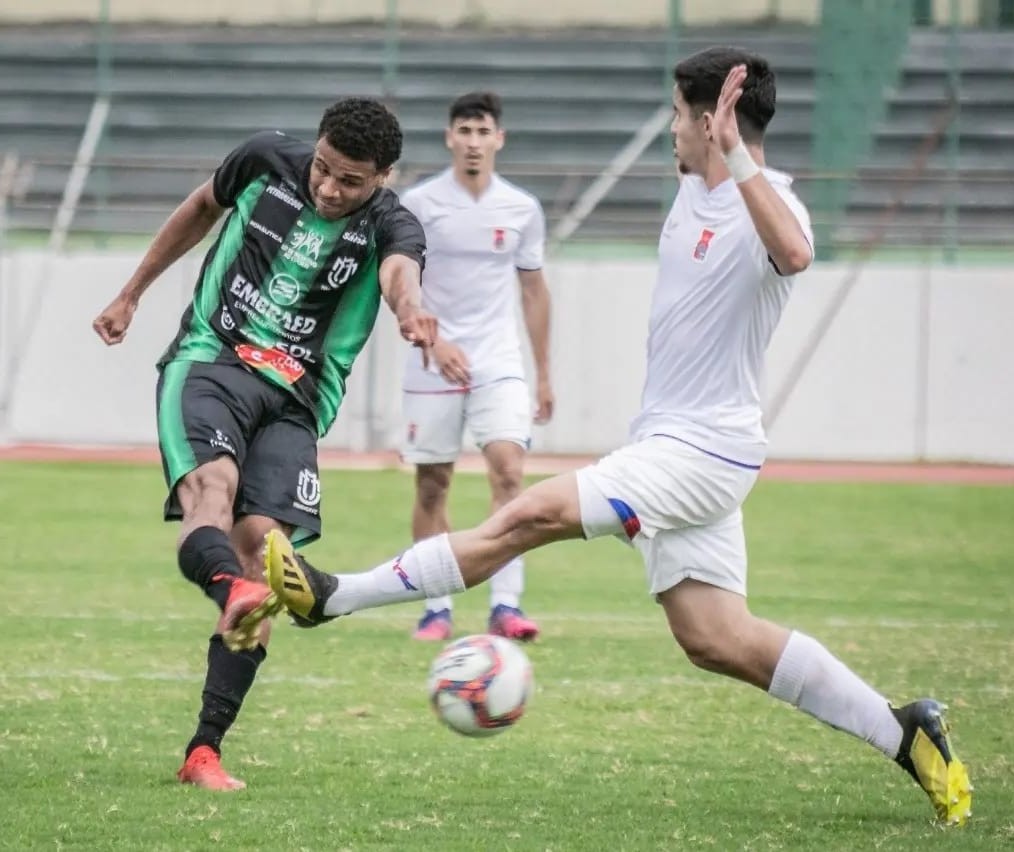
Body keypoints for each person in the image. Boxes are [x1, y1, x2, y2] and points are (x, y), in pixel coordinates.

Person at [237, 49, 972, 825]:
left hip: (700, 450)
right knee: (716, 637)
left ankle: (332, 597)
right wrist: (717, 149)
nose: (671, 131)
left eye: (679, 116)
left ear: (712, 121)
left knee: (525, 516)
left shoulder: (771, 201)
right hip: (673, 440)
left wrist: (732, 147)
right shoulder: (694, 190)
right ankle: (903, 731)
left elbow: (793, 253)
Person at [92, 98, 437, 791]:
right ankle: (232, 588)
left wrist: (412, 310)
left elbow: (401, 274)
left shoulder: (392, 224)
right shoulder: (262, 159)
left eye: (351, 181)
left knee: (265, 550)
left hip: (298, 399)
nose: (329, 189)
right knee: (211, 494)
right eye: (324, 169)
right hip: (210, 360)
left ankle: (204, 751)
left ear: (385, 176)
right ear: (313, 148)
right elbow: (199, 209)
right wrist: (131, 292)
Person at [399, 91, 554, 642]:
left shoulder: (521, 208)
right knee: (433, 486)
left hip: (498, 360)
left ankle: (505, 604)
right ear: (449, 137)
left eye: (482, 131)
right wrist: (430, 338)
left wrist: (543, 373)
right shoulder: (419, 204)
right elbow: (400, 279)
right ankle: (435, 606)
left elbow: (533, 291)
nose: (472, 141)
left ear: (498, 139)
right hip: (432, 362)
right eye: (463, 130)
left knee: (510, 471)